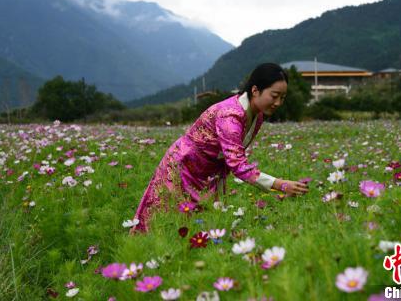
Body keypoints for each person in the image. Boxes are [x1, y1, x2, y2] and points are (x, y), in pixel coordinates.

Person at [131, 63, 309, 233]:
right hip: (183, 168)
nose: (278, 103)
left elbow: (230, 157)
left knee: (205, 225)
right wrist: (280, 185)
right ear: (255, 90)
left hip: (209, 173)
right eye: (274, 95)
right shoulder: (230, 115)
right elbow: (238, 164)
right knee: (164, 220)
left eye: (282, 98)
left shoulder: (257, 115)